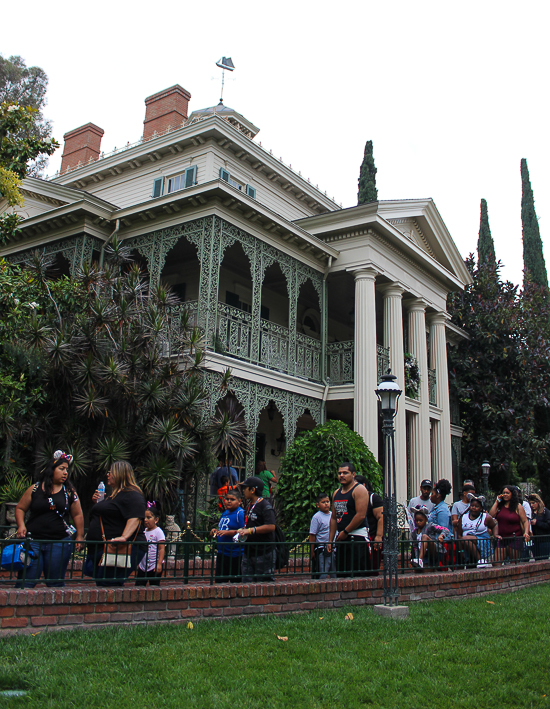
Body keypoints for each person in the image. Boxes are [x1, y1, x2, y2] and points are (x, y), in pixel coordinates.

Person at [14, 450, 84, 588]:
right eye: (61, 469)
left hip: (59, 542)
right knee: (26, 581)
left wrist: (80, 536)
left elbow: (77, 514)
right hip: (33, 541)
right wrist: (21, 525)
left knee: (55, 582)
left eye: (67, 470)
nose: (65, 473)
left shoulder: (69, 492)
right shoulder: (34, 489)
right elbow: (20, 508)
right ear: (52, 469)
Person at [86, 461, 146, 586]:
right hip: (104, 548)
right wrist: (98, 503)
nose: (108, 475)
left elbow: (135, 518)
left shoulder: (132, 495)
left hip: (120, 548)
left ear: (119, 474)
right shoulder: (114, 496)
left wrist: (124, 537)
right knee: (103, 585)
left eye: (110, 472)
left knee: (109, 585)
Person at [327, 462, 370, 577]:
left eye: (345, 473)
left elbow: (360, 515)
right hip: (341, 539)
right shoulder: (336, 493)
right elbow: (333, 518)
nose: (342, 475)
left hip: (357, 537)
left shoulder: (359, 490)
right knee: (342, 575)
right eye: (340, 473)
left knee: (358, 575)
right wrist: (330, 540)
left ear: (353, 474)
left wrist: (346, 532)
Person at [236, 476, 276, 582]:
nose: (243, 491)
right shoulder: (250, 505)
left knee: (263, 586)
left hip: (263, 553)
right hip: (249, 552)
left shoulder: (265, 506)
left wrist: (250, 531)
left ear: (253, 490)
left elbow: (271, 526)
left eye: (245, 488)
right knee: (247, 584)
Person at [411, 479, 453, 570]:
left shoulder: (442, 510)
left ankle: (420, 560)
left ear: (438, 495)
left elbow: (444, 529)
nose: (430, 496)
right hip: (427, 543)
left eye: (432, 494)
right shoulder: (435, 508)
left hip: (437, 545)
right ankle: (419, 560)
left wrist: (440, 537)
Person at [488, 485, 530, 564]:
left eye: (507, 493)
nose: (505, 495)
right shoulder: (500, 506)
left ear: (512, 494)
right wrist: (497, 502)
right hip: (502, 538)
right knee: (496, 563)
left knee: (513, 563)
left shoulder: (518, 506)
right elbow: (491, 516)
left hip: (515, 538)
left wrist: (526, 532)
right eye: (503, 493)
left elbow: (525, 521)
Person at [211, 488, 245, 582]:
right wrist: (216, 531)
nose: (229, 501)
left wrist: (228, 533)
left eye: (232, 499)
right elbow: (223, 528)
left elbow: (244, 531)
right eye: (227, 499)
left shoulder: (240, 513)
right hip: (222, 552)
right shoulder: (225, 513)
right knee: (220, 581)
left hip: (235, 554)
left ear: (239, 501)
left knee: (236, 582)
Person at [457, 495, 497, 567]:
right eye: (472, 506)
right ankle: (479, 559)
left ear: (481, 508)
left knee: (465, 539)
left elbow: (494, 526)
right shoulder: (463, 517)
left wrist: (495, 535)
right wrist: (461, 549)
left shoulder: (486, 517)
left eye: (476, 506)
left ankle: (480, 560)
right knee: (464, 540)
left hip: (481, 540)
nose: (474, 508)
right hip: (466, 545)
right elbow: (459, 534)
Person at [356, 475, 383, 575]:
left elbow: (381, 517)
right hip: (360, 537)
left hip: (372, 536)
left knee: (372, 568)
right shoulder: (354, 498)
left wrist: (379, 536)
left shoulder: (373, 498)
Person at [135, 504, 165, 586]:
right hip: (143, 565)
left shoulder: (158, 532)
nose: (145, 520)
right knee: (139, 586)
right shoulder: (144, 532)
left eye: (149, 518)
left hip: (154, 565)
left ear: (156, 519)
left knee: (154, 586)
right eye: (144, 518)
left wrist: (159, 563)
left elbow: (161, 548)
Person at [309, 492, 335, 579]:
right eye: (323, 502)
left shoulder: (333, 515)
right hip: (321, 548)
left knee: (334, 573)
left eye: (327, 501)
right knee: (323, 573)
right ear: (318, 505)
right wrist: (312, 551)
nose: (326, 504)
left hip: (333, 548)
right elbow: (312, 535)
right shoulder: (316, 517)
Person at [527, 493, 550, 559]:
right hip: (535, 541)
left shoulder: (545, 512)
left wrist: (537, 523)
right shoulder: (531, 513)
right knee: (536, 559)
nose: (531, 505)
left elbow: (548, 525)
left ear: (538, 502)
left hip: (544, 540)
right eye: (530, 503)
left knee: (543, 559)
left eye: (533, 503)